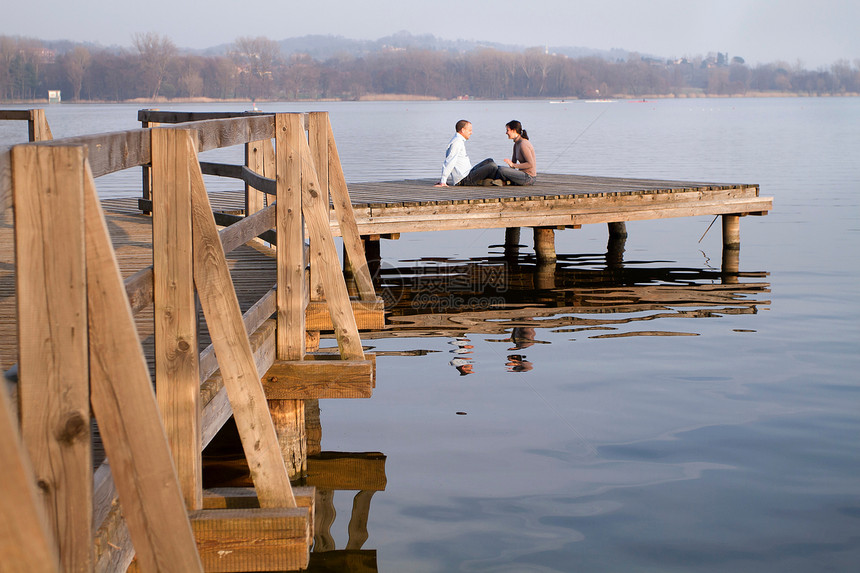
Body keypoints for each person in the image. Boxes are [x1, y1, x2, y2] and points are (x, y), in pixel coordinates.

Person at [435, 120, 503, 187]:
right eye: (470, 130)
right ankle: (489, 181)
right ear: (463, 130)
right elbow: (450, 161)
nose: (471, 132)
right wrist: (443, 181)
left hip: (468, 172)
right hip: (463, 180)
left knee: (489, 160)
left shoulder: (459, 140)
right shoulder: (457, 142)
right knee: (492, 166)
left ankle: (486, 181)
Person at [497, 120, 537, 186]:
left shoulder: (523, 144)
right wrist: (511, 167)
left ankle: (504, 181)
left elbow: (530, 164)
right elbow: (513, 164)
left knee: (502, 170)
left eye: (507, 130)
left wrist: (513, 165)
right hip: (521, 175)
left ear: (514, 130)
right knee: (498, 168)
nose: (506, 133)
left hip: (529, 178)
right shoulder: (516, 144)